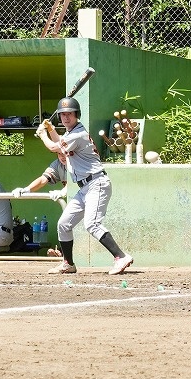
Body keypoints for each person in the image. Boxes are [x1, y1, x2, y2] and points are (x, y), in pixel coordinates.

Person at [36, 97, 134, 275]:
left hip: (96, 183)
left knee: (92, 224)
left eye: (70, 114)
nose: (66, 117)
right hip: (84, 188)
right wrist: (50, 129)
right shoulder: (71, 133)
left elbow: (55, 147)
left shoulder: (77, 134)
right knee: (64, 224)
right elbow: (61, 143)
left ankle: (121, 257)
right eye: (63, 114)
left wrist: (43, 134)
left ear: (77, 115)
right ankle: (68, 263)